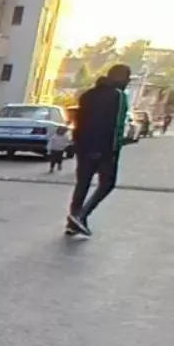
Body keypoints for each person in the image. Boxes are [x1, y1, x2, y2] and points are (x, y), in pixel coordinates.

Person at [65, 64, 131, 236]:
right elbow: (114, 124)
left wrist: (80, 144)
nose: (129, 81)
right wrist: (112, 148)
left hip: (84, 146)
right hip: (105, 148)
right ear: (119, 77)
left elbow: (80, 122)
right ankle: (81, 215)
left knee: (83, 183)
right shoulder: (118, 96)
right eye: (127, 77)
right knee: (107, 183)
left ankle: (73, 220)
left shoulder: (87, 95)